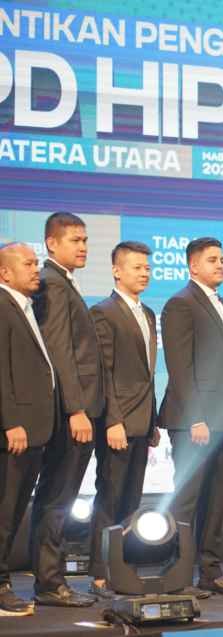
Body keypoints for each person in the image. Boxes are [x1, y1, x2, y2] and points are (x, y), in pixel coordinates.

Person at [160, 237, 223, 596]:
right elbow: (180, 366)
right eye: (213, 259)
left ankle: (210, 573)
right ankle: (178, 576)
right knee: (188, 499)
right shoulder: (180, 304)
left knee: (216, 500)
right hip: (194, 422)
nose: (221, 265)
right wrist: (196, 417)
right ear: (193, 266)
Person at [30, 212, 103, 608]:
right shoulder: (53, 283)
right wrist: (76, 409)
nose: (83, 247)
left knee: (60, 496)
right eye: (75, 240)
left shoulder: (64, 282)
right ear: (51, 243)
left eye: (85, 240)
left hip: (81, 409)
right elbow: (59, 350)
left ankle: (51, 580)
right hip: (69, 413)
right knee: (56, 498)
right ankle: (49, 583)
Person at [88, 242, 159, 598]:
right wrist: (112, 420)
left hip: (142, 421)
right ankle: (100, 574)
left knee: (131, 501)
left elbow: (147, 374)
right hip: (117, 422)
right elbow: (104, 372)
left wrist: (153, 420)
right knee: (110, 498)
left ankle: (123, 568)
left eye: (147, 267)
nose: (144, 273)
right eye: (137, 267)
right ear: (117, 271)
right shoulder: (103, 312)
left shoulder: (148, 312)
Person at [0, 243, 55, 616]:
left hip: (35, 430)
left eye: (37, 263)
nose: (36, 269)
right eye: (28, 263)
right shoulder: (2, 305)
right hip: (15, 432)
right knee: (4, 514)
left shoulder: (24, 306)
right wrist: (11, 422)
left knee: (14, 512)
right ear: (5, 272)